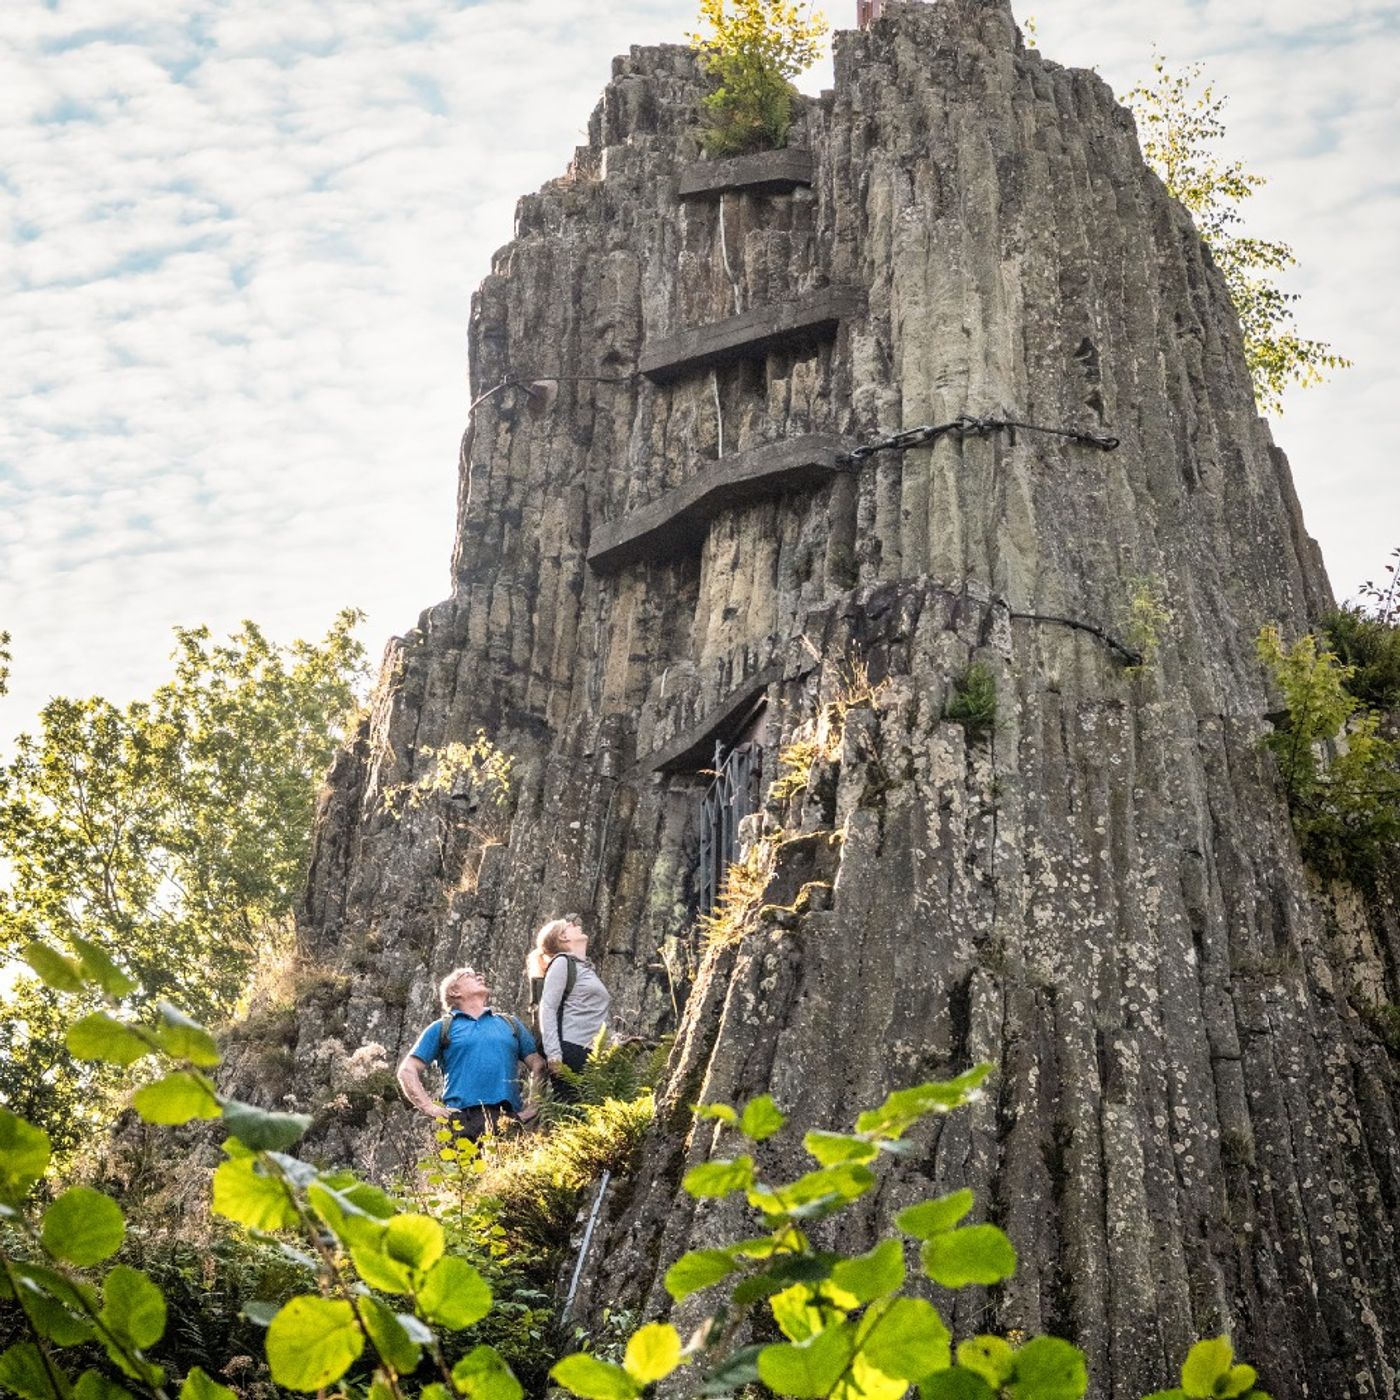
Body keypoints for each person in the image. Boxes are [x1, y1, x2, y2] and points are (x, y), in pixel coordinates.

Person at [397, 965, 545, 1141]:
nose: (480, 976)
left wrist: (534, 1106)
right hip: (463, 1120)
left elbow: (539, 1064)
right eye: (469, 975)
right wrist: (429, 1107)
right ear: (455, 991)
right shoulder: (442, 1027)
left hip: (508, 1117)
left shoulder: (510, 1023)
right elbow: (407, 1070)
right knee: (469, 1169)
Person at [529, 913, 612, 1094]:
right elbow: (548, 1007)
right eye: (569, 925)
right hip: (571, 1050)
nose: (576, 924)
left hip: (592, 1051)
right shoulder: (561, 962)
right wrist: (554, 1055)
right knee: (572, 1111)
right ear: (563, 937)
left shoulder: (584, 968)